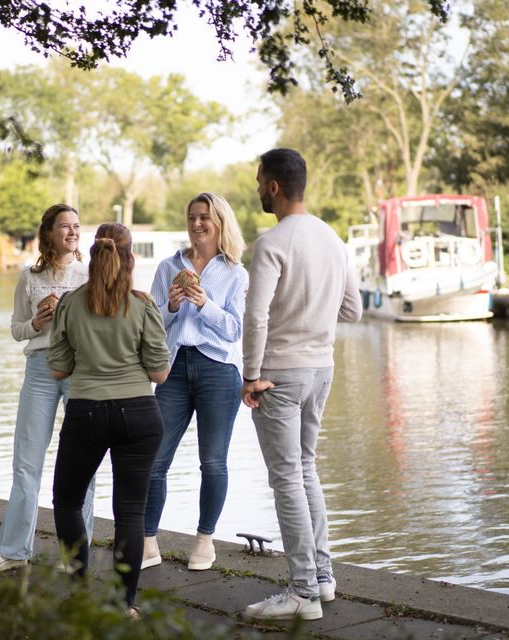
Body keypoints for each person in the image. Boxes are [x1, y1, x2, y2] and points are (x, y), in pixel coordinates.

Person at [240, 148, 362, 621]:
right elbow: (352, 310)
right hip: (321, 370)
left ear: (273, 187)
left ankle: (302, 593)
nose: (257, 189)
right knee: (305, 469)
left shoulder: (272, 243)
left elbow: (256, 316)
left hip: (280, 374)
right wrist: (313, 314)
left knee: (287, 478)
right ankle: (323, 579)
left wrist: (250, 375)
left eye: (258, 182)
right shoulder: (333, 239)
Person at [48, 222, 171, 613]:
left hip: (85, 413)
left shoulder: (70, 303)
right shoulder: (142, 305)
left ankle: (79, 596)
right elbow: (159, 373)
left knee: (67, 503)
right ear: (130, 256)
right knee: (130, 513)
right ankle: (124, 606)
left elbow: (58, 369)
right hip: (138, 414)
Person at [0, 204, 97, 573]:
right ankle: (14, 551)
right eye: (65, 226)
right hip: (40, 369)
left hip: (79, 368)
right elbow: (16, 329)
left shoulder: (89, 274)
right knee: (26, 462)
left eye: (77, 226)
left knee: (82, 465)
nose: (73, 232)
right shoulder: (30, 277)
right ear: (48, 233)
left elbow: (103, 325)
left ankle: (76, 556)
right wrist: (36, 322)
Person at [141, 193, 248, 572]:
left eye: (205, 217)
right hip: (173, 369)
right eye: (192, 217)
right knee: (154, 458)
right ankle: (148, 541)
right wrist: (170, 307)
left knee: (213, 461)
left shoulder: (236, 272)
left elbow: (236, 330)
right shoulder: (169, 266)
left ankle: (205, 540)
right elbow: (150, 325)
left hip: (218, 369)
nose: (197, 223)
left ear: (220, 222)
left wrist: (204, 304)